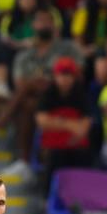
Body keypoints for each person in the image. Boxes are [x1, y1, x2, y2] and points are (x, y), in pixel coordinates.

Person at [0, 6, 82, 177]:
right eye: (39, 21)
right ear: (33, 25)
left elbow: (77, 75)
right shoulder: (24, 55)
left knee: (30, 87)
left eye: (47, 21)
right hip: (37, 102)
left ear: (55, 25)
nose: (43, 25)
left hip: (63, 97)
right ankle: (25, 162)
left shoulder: (68, 48)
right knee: (27, 104)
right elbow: (19, 83)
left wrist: (48, 81)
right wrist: (44, 80)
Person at [35, 56, 93, 189]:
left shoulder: (81, 95)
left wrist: (57, 122)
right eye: (61, 74)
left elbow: (84, 128)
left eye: (68, 75)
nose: (64, 79)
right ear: (55, 76)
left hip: (74, 144)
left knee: (83, 156)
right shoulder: (47, 94)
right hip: (52, 145)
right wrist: (70, 125)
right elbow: (42, 121)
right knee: (54, 156)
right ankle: (47, 197)